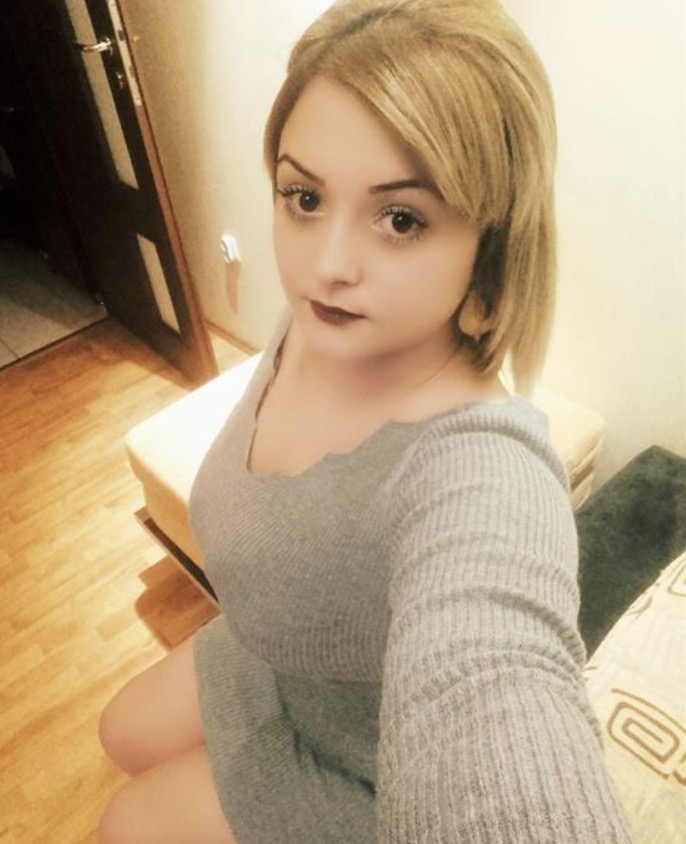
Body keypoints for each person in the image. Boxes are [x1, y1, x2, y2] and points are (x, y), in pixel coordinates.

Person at [97, 1, 634, 842]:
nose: (326, 265)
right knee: (117, 732)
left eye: (401, 219)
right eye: (304, 197)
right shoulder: (319, 322)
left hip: (366, 771)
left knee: (127, 823)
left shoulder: (481, 471)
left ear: (490, 242)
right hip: (280, 659)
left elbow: (497, 680)